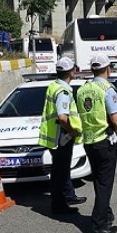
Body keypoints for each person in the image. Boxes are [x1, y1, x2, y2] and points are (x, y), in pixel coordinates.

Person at [76, 53, 117, 233]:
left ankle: (105, 214)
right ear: (108, 68)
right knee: (104, 184)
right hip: (104, 141)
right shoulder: (107, 89)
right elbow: (116, 120)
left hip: (89, 141)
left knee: (99, 182)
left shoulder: (82, 89)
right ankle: (98, 225)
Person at [38, 57, 87, 215]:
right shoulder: (63, 91)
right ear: (71, 72)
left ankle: (67, 196)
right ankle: (60, 205)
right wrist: (72, 131)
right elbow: (63, 117)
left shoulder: (54, 85)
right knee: (61, 171)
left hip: (55, 136)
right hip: (62, 137)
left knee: (59, 170)